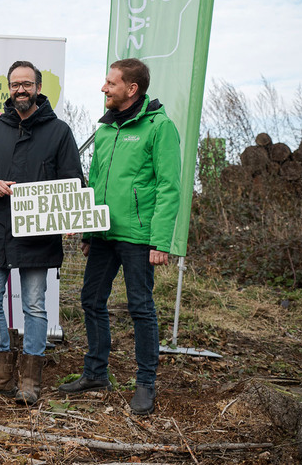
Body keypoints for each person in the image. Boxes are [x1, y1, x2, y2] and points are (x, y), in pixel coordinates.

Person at [59, 58, 180, 416]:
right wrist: (89, 228)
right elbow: (96, 184)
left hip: (139, 236)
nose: (103, 88)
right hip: (104, 234)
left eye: (110, 83)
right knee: (91, 300)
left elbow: (169, 187)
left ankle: (145, 384)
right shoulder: (106, 129)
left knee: (141, 307)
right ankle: (96, 374)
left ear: (132, 89)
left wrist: (160, 242)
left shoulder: (160, 127)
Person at [0, 60, 84, 405]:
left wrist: (65, 211)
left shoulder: (59, 131)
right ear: (9, 88)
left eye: (27, 84)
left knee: (34, 305)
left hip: (38, 233)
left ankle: (30, 379)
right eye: (15, 84)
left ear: (38, 88)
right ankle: (1, 374)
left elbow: (73, 180)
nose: (21, 90)